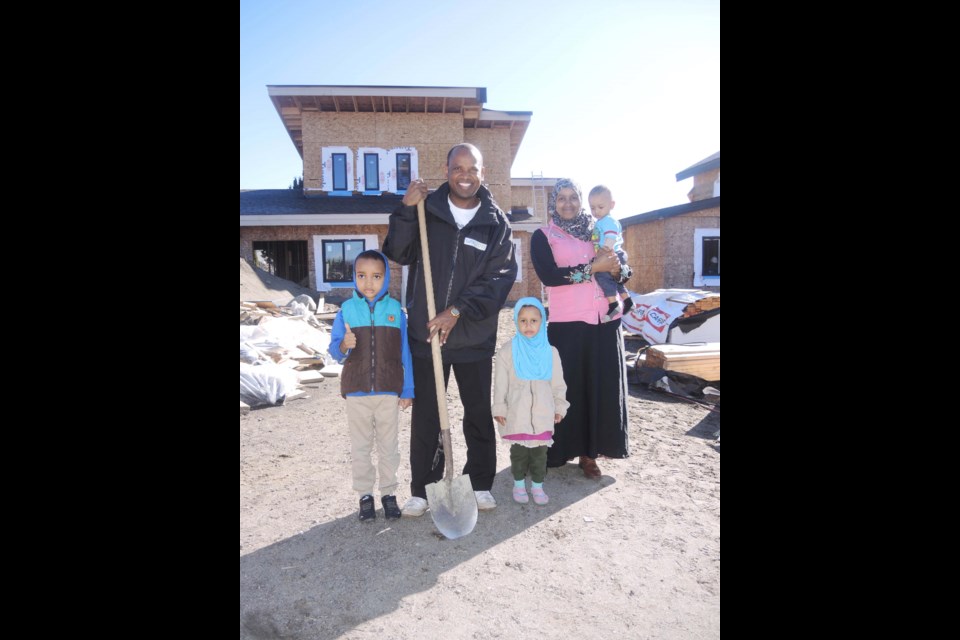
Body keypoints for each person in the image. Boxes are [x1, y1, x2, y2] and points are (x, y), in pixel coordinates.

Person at [382, 142, 518, 516]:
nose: (464, 175)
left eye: (472, 168)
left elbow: (500, 277)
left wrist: (456, 311)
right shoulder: (428, 211)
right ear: (447, 171)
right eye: (457, 168)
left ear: (482, 173)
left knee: (476, 412)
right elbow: (398, 252)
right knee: (426, 413)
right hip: (428, 336)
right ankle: (424, 489)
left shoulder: (495, 223)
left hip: (473, 336)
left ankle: (480, 483)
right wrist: (407, 210)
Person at [530, 178, 630, 478]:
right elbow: (549, 276)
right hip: (568, 325)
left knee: (599, 388)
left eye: (574, 197)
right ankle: (559, 450)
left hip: (604, 321)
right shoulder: (543, 235)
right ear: (553, 203)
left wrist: (619, 269)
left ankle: (590, 453)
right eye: (562, 198)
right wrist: (592, 270)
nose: (569, 203)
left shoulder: (597, 230)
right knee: (567, 389)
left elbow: (623, 268)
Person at [329, 250, 414, 522]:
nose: (369, 283)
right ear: (354, 277)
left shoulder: (396, 312)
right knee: (361, 447)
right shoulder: (346, 311)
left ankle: (389, 494)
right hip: (357, 392)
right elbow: (335, 351)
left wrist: (408, 389)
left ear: (386, 278)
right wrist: (344, 345)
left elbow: (406, 353)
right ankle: (365, 495)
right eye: (362, 275)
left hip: (389, 391)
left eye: (376, 276)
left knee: (389, 447)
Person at [492, 297, 569, 505]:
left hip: (543, 414)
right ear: (516, 322)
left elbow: (558, 384)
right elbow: (500, 384)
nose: (528, 325)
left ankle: (537, 486)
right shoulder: (507, 351)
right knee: (519, 454)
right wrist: (499, 407)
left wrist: (560, 406)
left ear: (542, 322)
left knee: (539, 454)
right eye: (523, 320)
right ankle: (518, 485)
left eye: (534, 320)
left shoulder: (550, 352)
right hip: (517, 414)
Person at [588, 185, 634, 322]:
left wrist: (603, 255)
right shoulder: (601, 221)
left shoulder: (608, 221)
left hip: (611, 253)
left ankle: (614, 305)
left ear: (611, 205)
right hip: (614, 254)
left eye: (600, 207)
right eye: (592, 208)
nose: (596, 211)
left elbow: (610, 238)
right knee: (615, 279)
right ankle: (628, 301)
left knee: (602, 276)